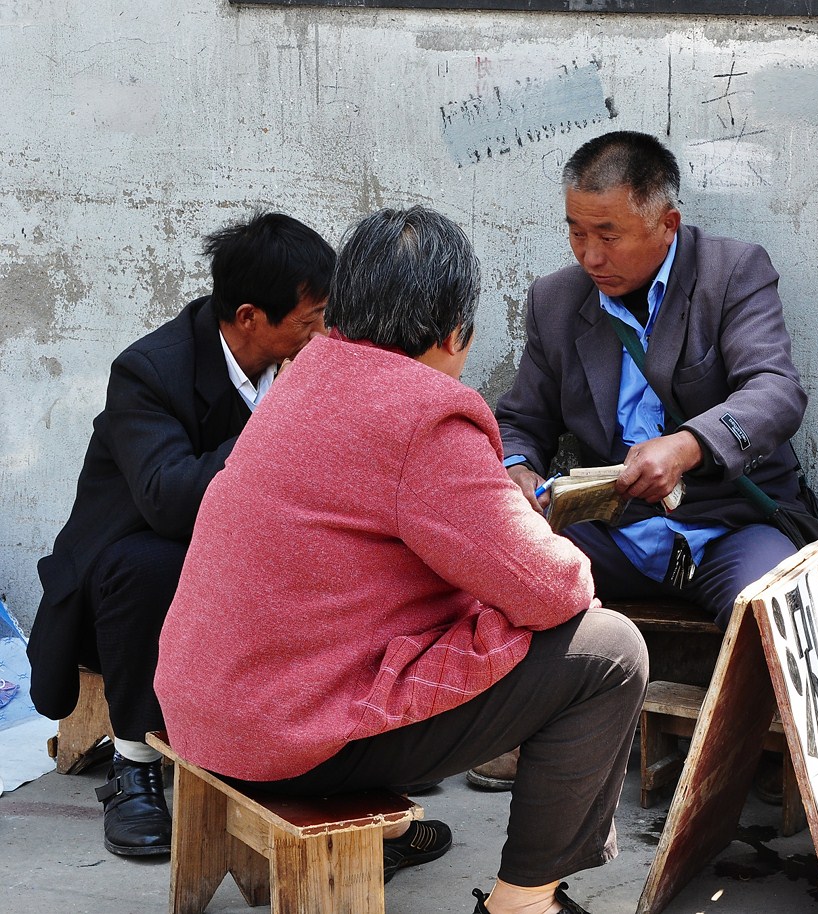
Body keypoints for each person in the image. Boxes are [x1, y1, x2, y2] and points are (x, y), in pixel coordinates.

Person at [154, 206, 647, 914]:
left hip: (205, 710)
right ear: (456, 335)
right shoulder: (428, 412)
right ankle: (524, 903)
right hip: (286, 739)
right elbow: (552, 590)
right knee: (609, 652)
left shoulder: (304, 372)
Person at [479, 130, 807, 790]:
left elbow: (776, 390)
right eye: (576, 233)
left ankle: (753, 770)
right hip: (616, 524)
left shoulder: (731, 273)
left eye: (610, 234)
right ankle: (515, 726)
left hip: (727, 520)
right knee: (495, 570)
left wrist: (686, 448)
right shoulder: (555, 300)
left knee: (774, 609)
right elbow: (519, 419)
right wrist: (517, 473)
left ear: (668, 223)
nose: (591, 255)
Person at [26, 212, 334, 857]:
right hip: (128, 584)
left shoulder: (309, 359)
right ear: (250, 317)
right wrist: (276, 419)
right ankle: (134, 766)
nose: (322, 335)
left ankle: (336, 751)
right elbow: (169, 500)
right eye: (308, 321)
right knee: (155, 563)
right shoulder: (149, 372)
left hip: (243, 562)